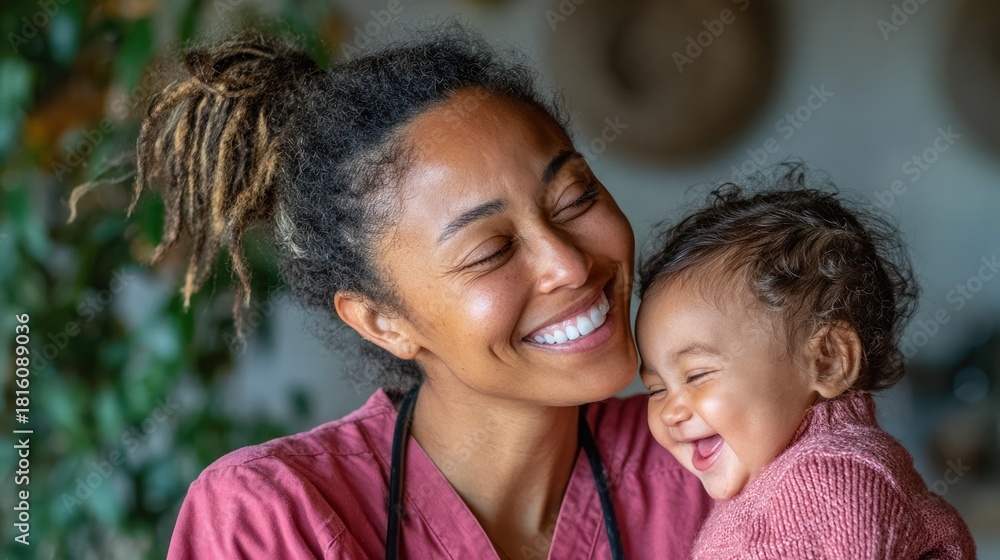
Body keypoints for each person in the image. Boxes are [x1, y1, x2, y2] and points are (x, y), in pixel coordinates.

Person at [119, 25, 711, 558]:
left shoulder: (713, 452)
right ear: (383, 322)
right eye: (491, 251)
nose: (570, 264)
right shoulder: (275, 517)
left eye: (575, 199)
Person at [635, 166, 978, 559]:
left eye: (696, 375)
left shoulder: (824, 480)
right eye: (657, 388)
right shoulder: (781, 476)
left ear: (828, 361)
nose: (670, 411)